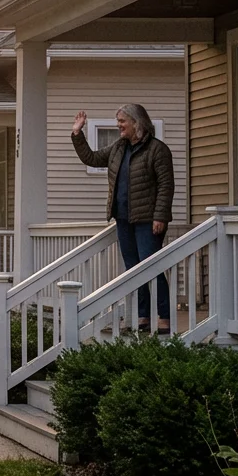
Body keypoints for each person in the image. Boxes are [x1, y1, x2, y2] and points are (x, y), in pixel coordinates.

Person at [72, 104, 175, 333]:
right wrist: (77, 134)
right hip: (123, 218)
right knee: (133, 269)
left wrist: (160, 216)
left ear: (136, 123)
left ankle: (165, 317)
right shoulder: (119, 148)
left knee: (152, 267)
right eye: (118, 120)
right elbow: (92, 157)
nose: (118, 125)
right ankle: (142, 317)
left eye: (122, 121)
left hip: (148, 219)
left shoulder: (157, 150)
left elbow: (166, 186)